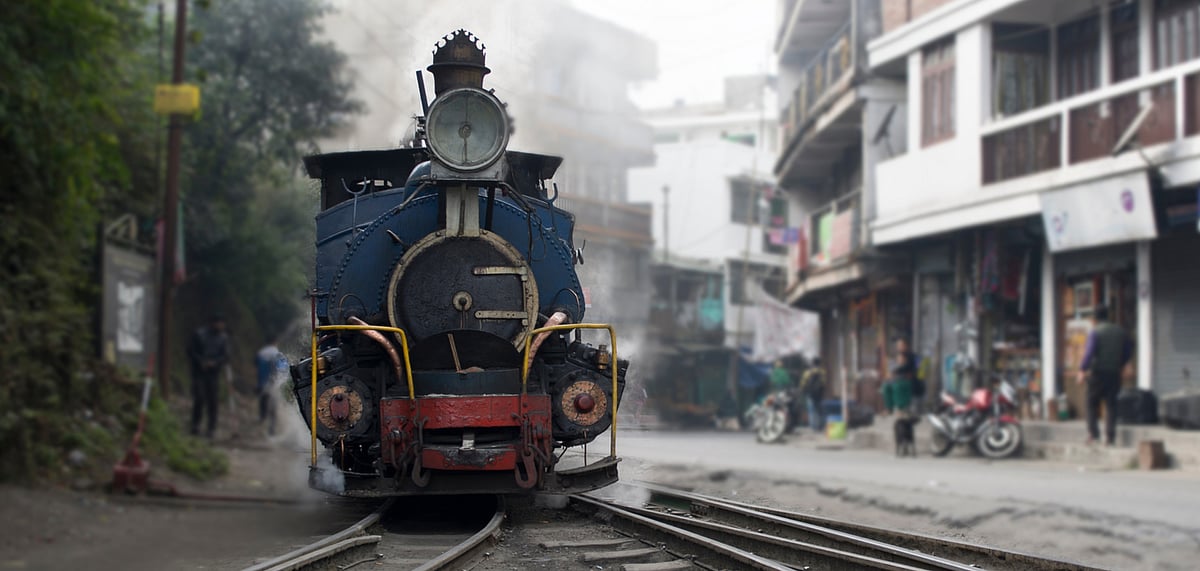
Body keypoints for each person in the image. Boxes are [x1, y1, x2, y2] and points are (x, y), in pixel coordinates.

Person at [1077, 305, 1132, 446]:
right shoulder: (1120, 332)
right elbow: (1128, 351)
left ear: (1095, 318)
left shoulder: (1096, 332)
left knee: (1091, 403)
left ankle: (1094, 435)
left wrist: (1082, 370)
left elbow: (1089, 353)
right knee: (1112, 404)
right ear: (1108, 316)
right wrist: (1121, 364)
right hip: (1114, 373)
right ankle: (1110, 437)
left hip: (1098, 374)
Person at [187, 314, 229, 439]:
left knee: (213, 401)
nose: (221, 326)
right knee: (199, 398)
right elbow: (191, 351)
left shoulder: (223, 338)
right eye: (219, 323)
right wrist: (201, 362)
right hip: (199, 372)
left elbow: (225, 355)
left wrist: (215, 363)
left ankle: (211, 428)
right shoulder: (199, 334)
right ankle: (195, 425)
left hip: (213, 373)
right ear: (213, 323)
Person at [256, 341, 288, 436]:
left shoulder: (261, 353)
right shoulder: (277, 354)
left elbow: (257, 367)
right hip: (273, 384)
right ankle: (271, 429)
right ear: (275, 343)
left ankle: (261, 422)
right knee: (272, 408)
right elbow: (283, 369)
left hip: (263, 384)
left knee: (263, 403)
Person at [799, 358, 826, 432]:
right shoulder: (822, 372)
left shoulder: (807, 372)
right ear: (819, 363)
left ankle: (813, 427)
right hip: (819, 394)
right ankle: (821, 426)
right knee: (820, 410)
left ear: (812, 363)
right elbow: (823, 383)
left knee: (812, 410)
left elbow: (803, 383)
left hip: (810, 394)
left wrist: (802, 390)